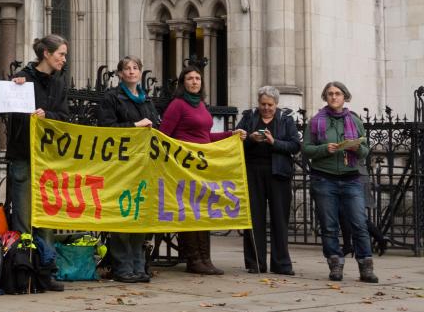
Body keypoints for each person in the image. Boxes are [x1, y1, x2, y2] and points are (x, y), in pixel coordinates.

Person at [158, 64, 246, 275]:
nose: (195, 82)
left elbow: (205, 137)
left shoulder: (201, 105)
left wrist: (230, 135)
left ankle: (205, 258)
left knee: (202, 210)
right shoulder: (177, 105)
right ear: (183, 83)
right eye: (190, 78)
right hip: (184, 167)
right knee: (190, 211)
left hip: (201, 166)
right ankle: (193, 259)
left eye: (198, 78)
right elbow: (164, 135)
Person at [6, 34, 69, 291]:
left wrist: (47, 114)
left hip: (48, 157)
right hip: (23, 154)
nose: (64, 59)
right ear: (46, 53)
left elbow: (64, 116)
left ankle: (46, 272)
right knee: (23, 217)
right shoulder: (23, 77)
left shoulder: (60, 82)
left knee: (46, 216)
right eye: (61, 54)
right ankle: (23, 269)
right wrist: (13, 87)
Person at [302, 81, 378, 283]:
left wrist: (355, 148)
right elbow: (306, 149)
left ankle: (366, 267)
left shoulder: (355, 120)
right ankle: (335, 265)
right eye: (329, 94)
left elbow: (365, 150)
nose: (334, 97)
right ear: (325, 97)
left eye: (337, 93)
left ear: (345, 97)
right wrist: (324, 149)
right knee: (329, 226)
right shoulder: (316, 121)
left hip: (351, 179)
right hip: (324, 179)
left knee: (359, 224)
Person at [96, 55, 160, 283]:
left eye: (135, 68)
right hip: (121, 165)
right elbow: (106, 129)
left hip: (143, 166)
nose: (132, 71)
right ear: (120, 74)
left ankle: (138, 263)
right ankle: (122, 265)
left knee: (140, 215)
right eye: (127, 68)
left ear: (140, 72)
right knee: (124, 214)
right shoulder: (112, 97)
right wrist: (134, 126)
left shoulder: (147, 101)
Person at [236, 86, 300, 275]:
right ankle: (255, 262)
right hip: (253, 171)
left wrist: (274, 142)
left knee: (280, 219)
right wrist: (251, 139)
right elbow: (236, 139)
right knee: (254, 218)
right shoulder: (249, 117)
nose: (266, 108)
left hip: (278, 173)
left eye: (270, 105)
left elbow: (295, 145)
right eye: (263, 104)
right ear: (258, 103)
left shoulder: (285, 119)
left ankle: (281, 263)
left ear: (276, 104)